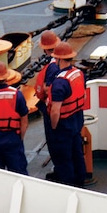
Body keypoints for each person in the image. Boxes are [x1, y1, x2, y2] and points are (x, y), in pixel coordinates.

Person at [45, 42, 89, 187]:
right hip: (77, 120)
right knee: (77, 153)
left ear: (59, 60)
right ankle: (80, 180)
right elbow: (83, 96)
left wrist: (53, 127)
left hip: (63, 125)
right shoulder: (78, 73)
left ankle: (67, 184)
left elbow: (55, 110)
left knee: (64, 158)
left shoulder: (59, 83)